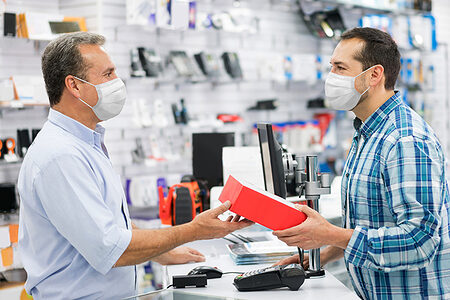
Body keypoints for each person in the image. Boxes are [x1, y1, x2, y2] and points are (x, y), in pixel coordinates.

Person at [17, 32, 252, 299]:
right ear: (74, 85)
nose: (117, 82)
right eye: (107, 74)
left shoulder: (86, 144)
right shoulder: (60, 156)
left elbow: (112, 224)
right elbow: (111, 247)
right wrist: (194, 231)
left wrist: (163, 252)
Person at [273, 27, 450, 299]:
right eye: (332, 67)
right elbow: (376, 222)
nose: (331, 77)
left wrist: (332, 235)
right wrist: (325, 251)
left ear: (374, 75)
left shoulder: (405, 141)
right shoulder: (368, 132)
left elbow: (419, 242)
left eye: (341, 68)